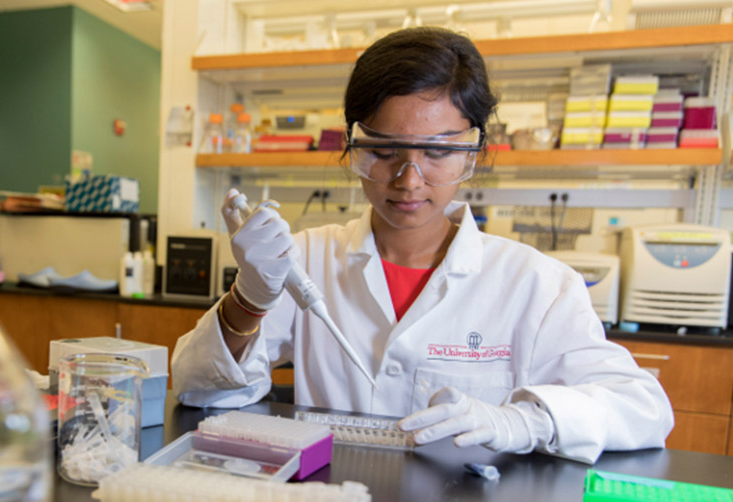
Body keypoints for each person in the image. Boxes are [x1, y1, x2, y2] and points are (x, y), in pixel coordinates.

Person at [170, 26, 673, 464]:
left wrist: (525, 422)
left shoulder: (537, 284)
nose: (409, 180)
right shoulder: (306, 260)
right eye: (384, 150)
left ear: (473, 152)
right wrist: (250, 298)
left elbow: (645, 408)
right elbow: (195, 389)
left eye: (437, 152)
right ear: (352, 147)